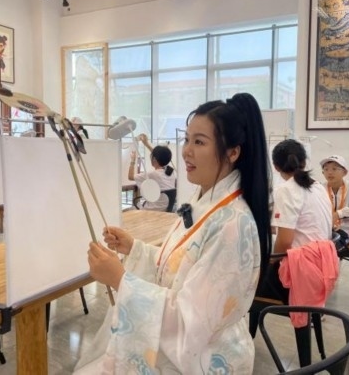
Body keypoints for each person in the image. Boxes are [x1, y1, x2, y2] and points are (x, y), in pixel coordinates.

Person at [74, 93, 270, 374]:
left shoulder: (232, 224)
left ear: (233, 152)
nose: (186, 151)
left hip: (207, 358)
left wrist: (120, 280)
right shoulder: (206, 203)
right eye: (187, 139)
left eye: (199, 142)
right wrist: (136, 248)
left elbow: (192, 322)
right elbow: (185, 265)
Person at [250, 139, 333, 336]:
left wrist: (269, 263)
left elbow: (285, 242)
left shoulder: (286, 190)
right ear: (304, 162)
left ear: (276, 166)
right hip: (323, 266)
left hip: (301, 273)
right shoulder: (318, 187)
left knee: (246, 276)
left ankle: (246, 334)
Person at [128, 133, 176, 212]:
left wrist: (132, 160)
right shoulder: (170, 172)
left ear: (154, 159)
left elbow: (130, 177)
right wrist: (146, 144)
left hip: (152, 210)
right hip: (165, 210)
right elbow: (159, 156)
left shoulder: (153, 174)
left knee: (128, 210)